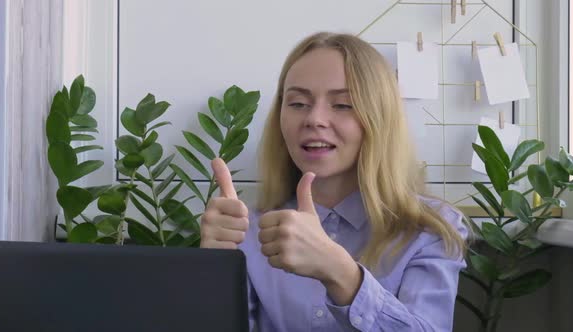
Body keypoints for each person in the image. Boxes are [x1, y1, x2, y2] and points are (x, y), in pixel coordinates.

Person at [200, 32, 468, 332]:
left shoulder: (429, 230)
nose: (314, 119)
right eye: (298, 103)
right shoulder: (246, 227)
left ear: (379, 118)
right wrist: (215, 270)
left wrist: (341, 274)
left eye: (342, 105)